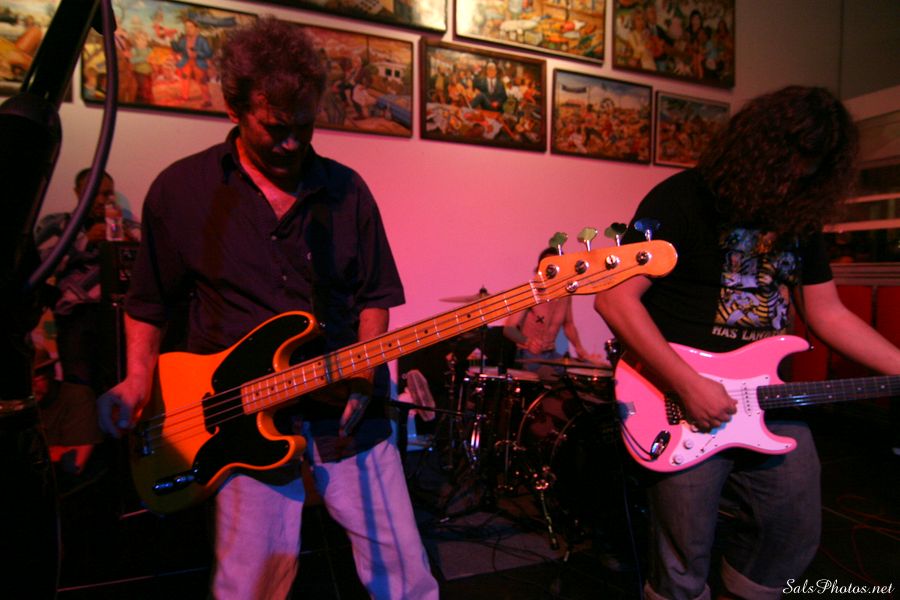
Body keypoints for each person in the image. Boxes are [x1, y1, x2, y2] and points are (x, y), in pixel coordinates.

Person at [97, 18, 438, 600]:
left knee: (404, 574)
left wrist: (363, 368)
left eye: (304, 126)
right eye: (276, 128)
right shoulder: (182, 191)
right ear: (234, 108)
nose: (292, 144)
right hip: (236, 417)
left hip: (343, 409)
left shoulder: (348, 191)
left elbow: (374, 296)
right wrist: (135, 381)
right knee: (249, 585)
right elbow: (148, 302)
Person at [593, 86, 900, 600]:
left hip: (768, 395)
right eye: (786, 164)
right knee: (684, 555)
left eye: (809, 171)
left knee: (794, 528)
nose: (793, 179)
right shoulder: (683, 197)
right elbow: (616, 300)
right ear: (757, 149)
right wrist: (687, 385)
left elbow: (827, 312)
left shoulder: (799, 216)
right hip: (678, 397)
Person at [34, 169, 140, 395]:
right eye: (94, 193)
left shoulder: (126, 225)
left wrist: (129, 244)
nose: (102, 200)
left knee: (120, 383)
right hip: (77, 316)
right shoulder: (58, 224)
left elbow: (151, 254)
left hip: (119, 315)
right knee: (80, 387)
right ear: (78, 193)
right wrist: (85, 241)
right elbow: (42, 263)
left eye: (107, 194)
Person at [504, 247, 596, 374]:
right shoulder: (530, 292)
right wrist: (528, 342)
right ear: (541, 268)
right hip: (528, 354)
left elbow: (568, 324)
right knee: (550, 376)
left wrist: (580, 349)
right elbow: (508, 329)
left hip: (551, 354)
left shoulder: (565, 294)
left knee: (583, 373)